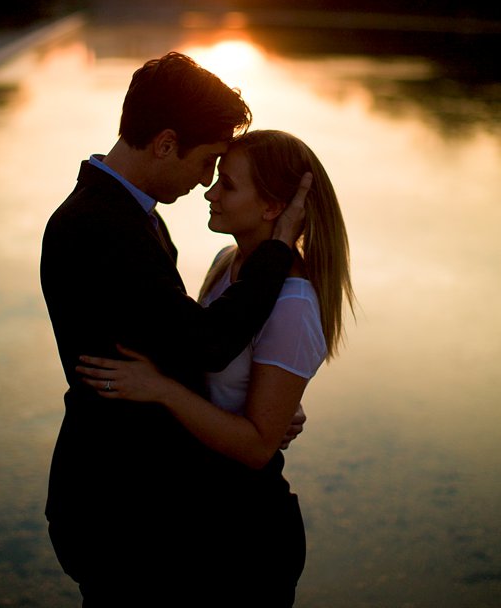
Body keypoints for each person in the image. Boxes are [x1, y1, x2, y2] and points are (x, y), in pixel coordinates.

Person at [40, 54, 311, 607]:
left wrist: (260, 407)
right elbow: (205, 344)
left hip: (143, 505)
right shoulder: (100, 227)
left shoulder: (133, 214)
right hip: (121, 510)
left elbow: (167, 340)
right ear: (165, 143)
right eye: (209, 160)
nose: (208, 181)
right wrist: (278, 248)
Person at [76, 129, 355, 607]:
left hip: (247, 534)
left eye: (228, 184)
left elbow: (256, 449)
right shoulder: (228, 263)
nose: (210, 192)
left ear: (271, 207)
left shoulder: (292, 303)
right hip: (201, 518)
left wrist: (161, 389)